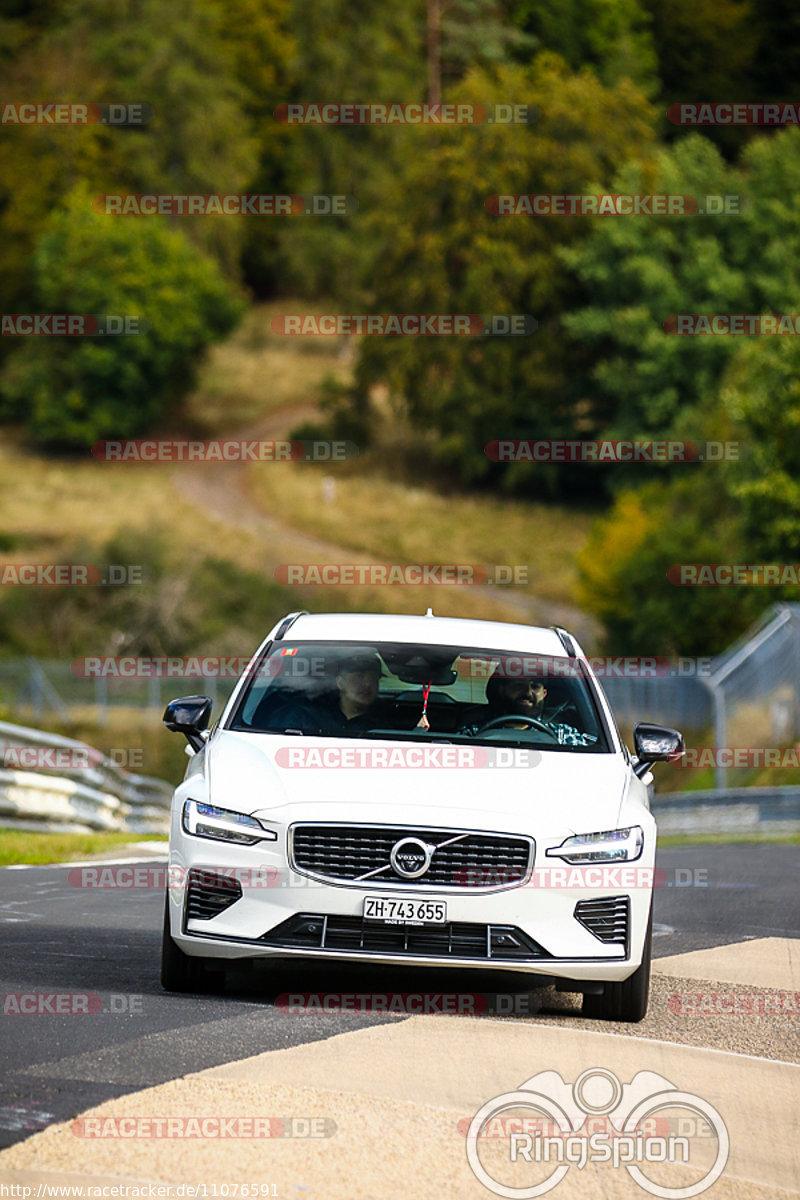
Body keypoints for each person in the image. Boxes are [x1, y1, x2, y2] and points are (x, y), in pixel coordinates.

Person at [459, 673, 597, 746]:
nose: (527, 691)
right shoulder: (474, 733)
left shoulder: (563, 735)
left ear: (544, 694)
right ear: (501, 690)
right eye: (519, 684)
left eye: (535, 686)